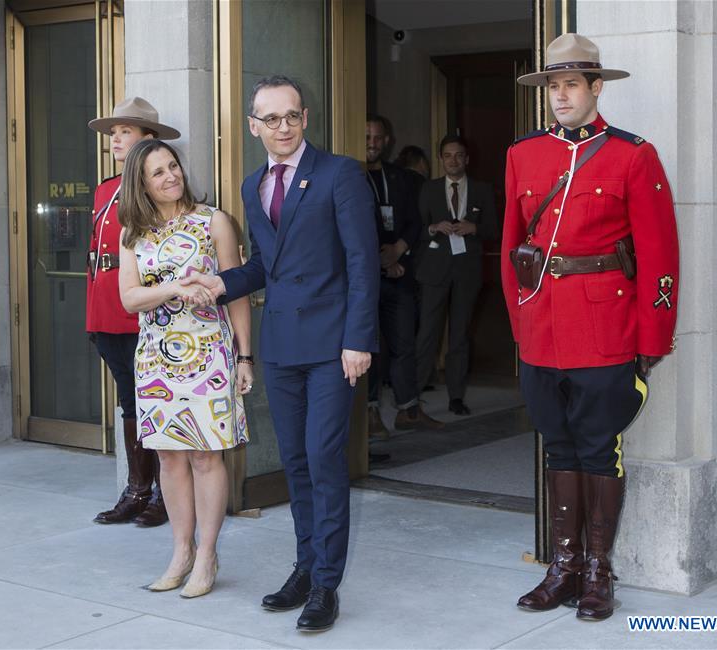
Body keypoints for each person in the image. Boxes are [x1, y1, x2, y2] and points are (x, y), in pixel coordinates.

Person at [183, 75, 378, 632]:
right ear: (254, 127)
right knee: (295, 461)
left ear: (306, 118)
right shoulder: (252, 186)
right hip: (283, 346)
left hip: (334, 345)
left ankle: (325, 584)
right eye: (271, 119)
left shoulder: (339, 173)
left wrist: (358, 339)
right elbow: (266, 267)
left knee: (323, 458)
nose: (283, 127)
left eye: (291, 116)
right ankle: (304, 565)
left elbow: (363, 264)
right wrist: (220, 283)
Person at [502, 33, 679, 621]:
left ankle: (600, 571)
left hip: (605, 327)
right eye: (553, 85)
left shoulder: (633, 155)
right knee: (558, 445)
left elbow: (659, 255)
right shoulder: (523, 155)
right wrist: (520, 324)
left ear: (596, 87)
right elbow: (512, 247)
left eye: (572, 84)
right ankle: (564, 565)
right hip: (542, 329)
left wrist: (651, 338)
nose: (561, 95)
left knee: (599, 450)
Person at [117, 139, 251, 599]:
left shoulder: (213, 222)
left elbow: (236, 291)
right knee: (169, 457)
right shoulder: (132, 234)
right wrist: (174, 287)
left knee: (204, 455)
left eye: (172, 166)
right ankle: (181, 550)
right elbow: (129, 298)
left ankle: (208, 553)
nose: (170, 176)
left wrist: (245, 355)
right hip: (155, 360)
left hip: (210, 354)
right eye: (157, 172)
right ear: (142, 183)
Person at [86, 97, 180, 527]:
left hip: (141, 309)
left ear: (148, 138)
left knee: (156, 401)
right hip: (106, 305)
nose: (115, 140)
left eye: (124, 131)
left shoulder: (156, 189)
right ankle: (137, 488)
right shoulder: (107, 188)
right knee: (129, 402)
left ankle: (164, 491)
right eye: (113, 133)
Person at [366, 115, 442, 437]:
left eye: (378, 137)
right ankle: (368, 415)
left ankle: (408, 410)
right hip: (366, 276)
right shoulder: (347, 175)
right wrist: (382, 260)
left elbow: (414, 220)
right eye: (367, 136)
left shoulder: (401, 178)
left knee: (404, 344)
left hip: (399, 272)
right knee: (367, 346)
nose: (372, 143)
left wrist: (398, 249)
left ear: (388, 141)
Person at [414, 135, 498, 416]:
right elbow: (415, 230)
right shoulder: (428, 189)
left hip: (467, 270)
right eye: (448, 155)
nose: (453, 160)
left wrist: (474, 229)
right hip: (434, 268)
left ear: (467, 159)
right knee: (427, 333)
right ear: (441, 159)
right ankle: (413, 397)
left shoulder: (482, 189)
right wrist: (434, 228)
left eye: (459, 155)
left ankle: (456, 396)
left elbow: (496, 229)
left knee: (460, 335)